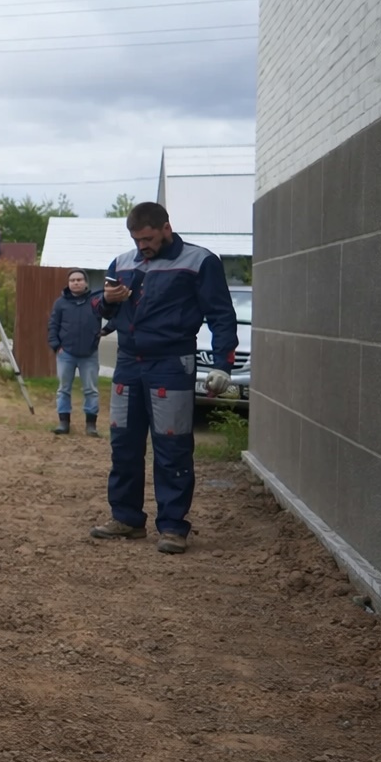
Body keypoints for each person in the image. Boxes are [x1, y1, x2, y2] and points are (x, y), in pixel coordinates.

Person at [90, 202, 237, 556]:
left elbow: (221, 315)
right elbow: (100, 309)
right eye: (136, 239)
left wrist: (222, 364)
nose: (143, 245)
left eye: (148, 238)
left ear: (166, 229)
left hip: (172, 363)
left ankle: (172, 526)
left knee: (172, 448)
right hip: (128, 362)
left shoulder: (200, 262)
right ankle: (126, 518)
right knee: (123, 444)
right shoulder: (122, 263)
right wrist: (107, 300)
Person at [46, 269, 102, 436]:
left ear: (85, 282)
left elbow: (112, 315)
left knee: (91, 390)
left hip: (89, 354)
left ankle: (91, 425)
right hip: (66, 354)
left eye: (79, 280)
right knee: (63, 389)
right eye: (72, 280)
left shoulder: (95, 301)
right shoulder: (60, 303)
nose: (76, 283)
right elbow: (53, 325)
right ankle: (64, 423)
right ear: (68, 283)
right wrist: (56, 346)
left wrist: (104, 332)